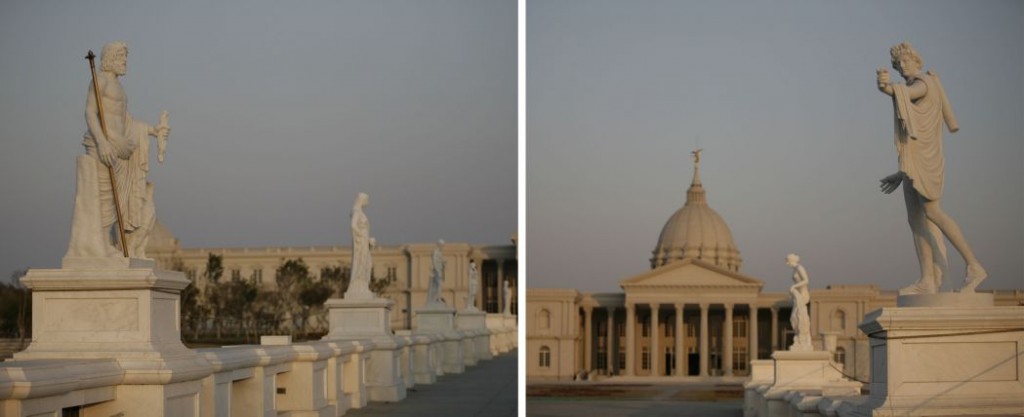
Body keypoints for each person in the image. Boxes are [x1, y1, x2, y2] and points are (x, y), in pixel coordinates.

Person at [875, 42, 986, 294]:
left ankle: (974, 265)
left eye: (905, 61)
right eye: (898, 63)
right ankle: (927, 278)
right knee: (915, 220)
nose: (902, 66)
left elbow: (909, 94)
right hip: (913, 163)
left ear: (917, 61)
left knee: (933, 212)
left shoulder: (925, 82)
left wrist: (886, 88)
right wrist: (901, 174)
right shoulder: (915, 84)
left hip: (927, 160)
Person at [66, 41, 170, 260]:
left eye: (126, 58)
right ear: (111, 59)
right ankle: (99, 245)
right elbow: (90, 113)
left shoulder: (120, 88)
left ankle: (105, 243)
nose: (125, 62)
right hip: (102, 146)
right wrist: (103, 142)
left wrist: (152, 130)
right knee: (103, 195)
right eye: (122, 58)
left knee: (114, 201)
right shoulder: (100, 81)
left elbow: (126, 122)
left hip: (119, 150)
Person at [345, 192, 375, 299]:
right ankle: (358, 287)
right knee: (361, 262)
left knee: (366, 263)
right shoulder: (356, 211)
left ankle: (363, 286)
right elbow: (353, 226)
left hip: (364, 241)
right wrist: (364, 238)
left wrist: (368, 240)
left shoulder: (360, 212)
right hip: (360, 242)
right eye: (366, 199)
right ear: (361, 199)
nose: (367, 201)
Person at [785, 254, 811, 351]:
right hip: (797, 294)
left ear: (791, 260)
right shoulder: (795, 269)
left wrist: (794, 286)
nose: (786, 263)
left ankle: (803, 338)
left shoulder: (799, 267)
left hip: (802, 294)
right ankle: (800, 337)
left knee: (799, 315)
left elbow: (806, 280)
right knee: (794, 317)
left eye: (787, 260)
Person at [426, 239, 445, 306]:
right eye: (441, 245)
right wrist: (436, 270)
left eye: (443, 245)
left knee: (439, 285)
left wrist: (443, 263)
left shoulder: (440, 252)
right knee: (437, 285)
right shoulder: (436, 252)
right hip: (437, 271)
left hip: (439, 270)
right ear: (438, 244)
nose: (442, 246)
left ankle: (438, 298)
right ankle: (437, 298)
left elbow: (440, 261)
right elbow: (434, 261)